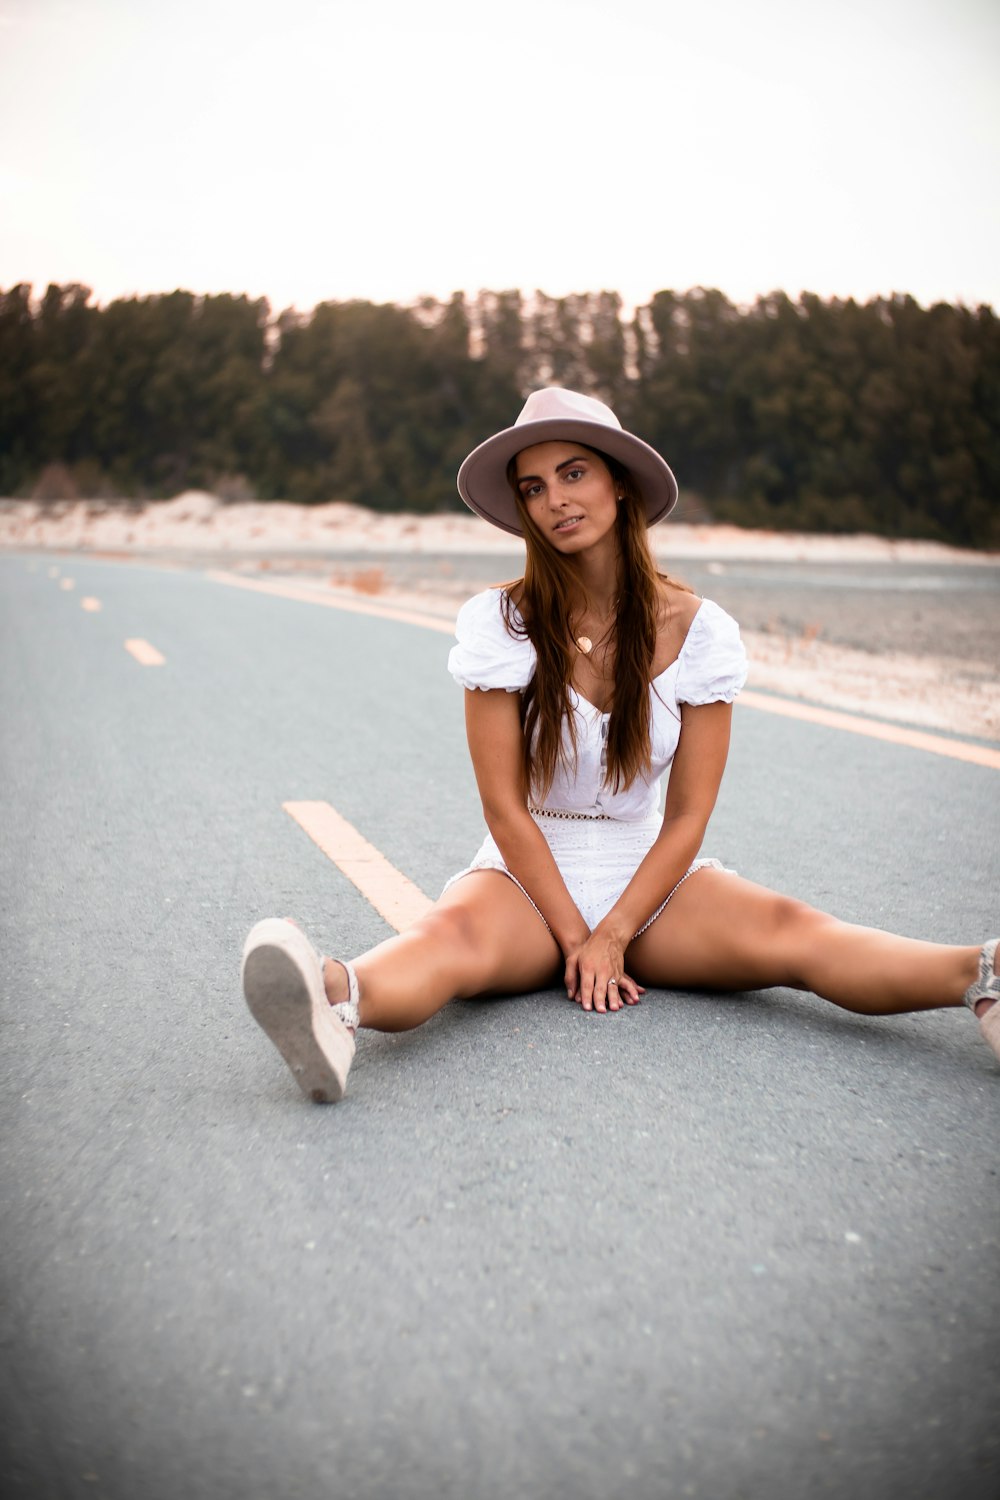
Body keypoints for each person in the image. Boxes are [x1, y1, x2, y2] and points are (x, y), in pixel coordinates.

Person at [240, 387, 1000, 1102]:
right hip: (526, 871)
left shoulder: (700, 631)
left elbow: (688, 818)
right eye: (533, 487)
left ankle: (983, 976)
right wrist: (579, 938)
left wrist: (617, 932)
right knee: (452, 938)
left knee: (791, 933)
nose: (554, 499)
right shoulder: (500, 623)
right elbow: (504, 808)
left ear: (621, 484)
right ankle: (335, 1000)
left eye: (573, 473)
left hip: (651, 873)